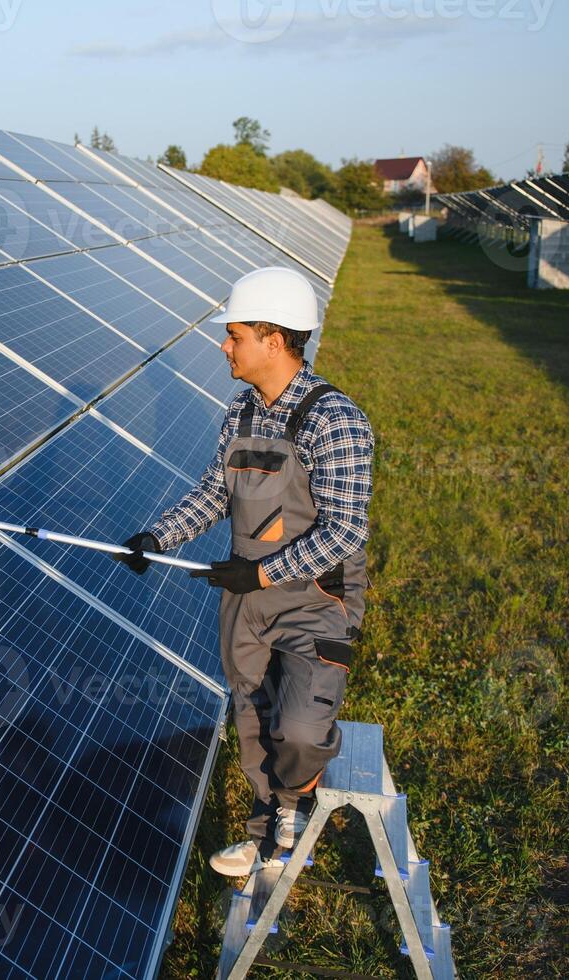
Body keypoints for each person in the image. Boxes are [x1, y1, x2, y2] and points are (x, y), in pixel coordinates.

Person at [116, 267, 374, 876]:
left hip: (317, 598)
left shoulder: (335, 420)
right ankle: (267, 832)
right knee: (254, 722)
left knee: (302, 730)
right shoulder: (240, 412)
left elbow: (344, 531)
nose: (224, 346)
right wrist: (158, 536)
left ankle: (297, 803)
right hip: (247, 600)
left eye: (234, 336)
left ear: (273, 339)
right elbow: (214, 494)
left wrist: (259, 575)